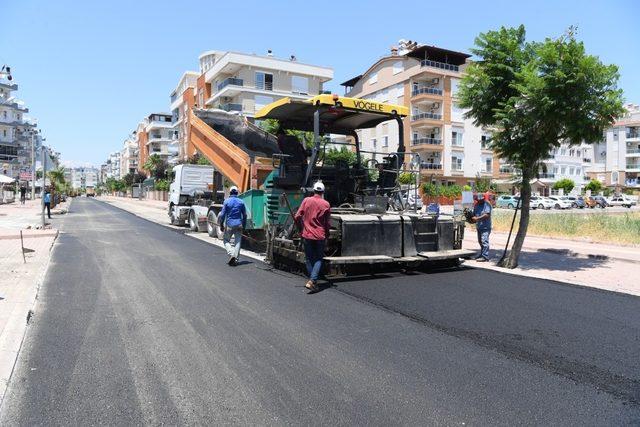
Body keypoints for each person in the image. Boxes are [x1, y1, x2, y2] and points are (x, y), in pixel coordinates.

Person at [294, 181, 331, 293]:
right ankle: (312, 280)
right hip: (320, 235)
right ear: (323, 191)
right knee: (319, 258)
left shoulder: (306, 201)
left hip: (307, 235)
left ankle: (312, 280)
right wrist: (327, 234)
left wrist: (300, 227)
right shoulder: (326, 204)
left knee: (309, 259)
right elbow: (327, 223)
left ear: (313, 190)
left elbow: (297, 216)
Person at [218, 186, 246, 266]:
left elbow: (222, 214)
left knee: (226, 240)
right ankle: (235, 258)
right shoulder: (241, 202)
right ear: (237, 193)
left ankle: (231, 254)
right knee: (238, 242)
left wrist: (221, 225)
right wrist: (244, 225)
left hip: (230, 224)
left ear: (230, 193)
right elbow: (245, 215)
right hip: (239, 224)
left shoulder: (226, 201)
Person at [472, 192, 492, 261]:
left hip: (485, 227)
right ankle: (482, 254)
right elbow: (474, 214)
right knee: (480, 241)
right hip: (479, 226)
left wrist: (477, 218)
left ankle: (485, 256)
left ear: (483, 199)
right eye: (478, 200)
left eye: (480, 200)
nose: (479, 201)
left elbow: (487, 215)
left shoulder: (487, 204)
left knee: (484, 241)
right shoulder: (476, 205)